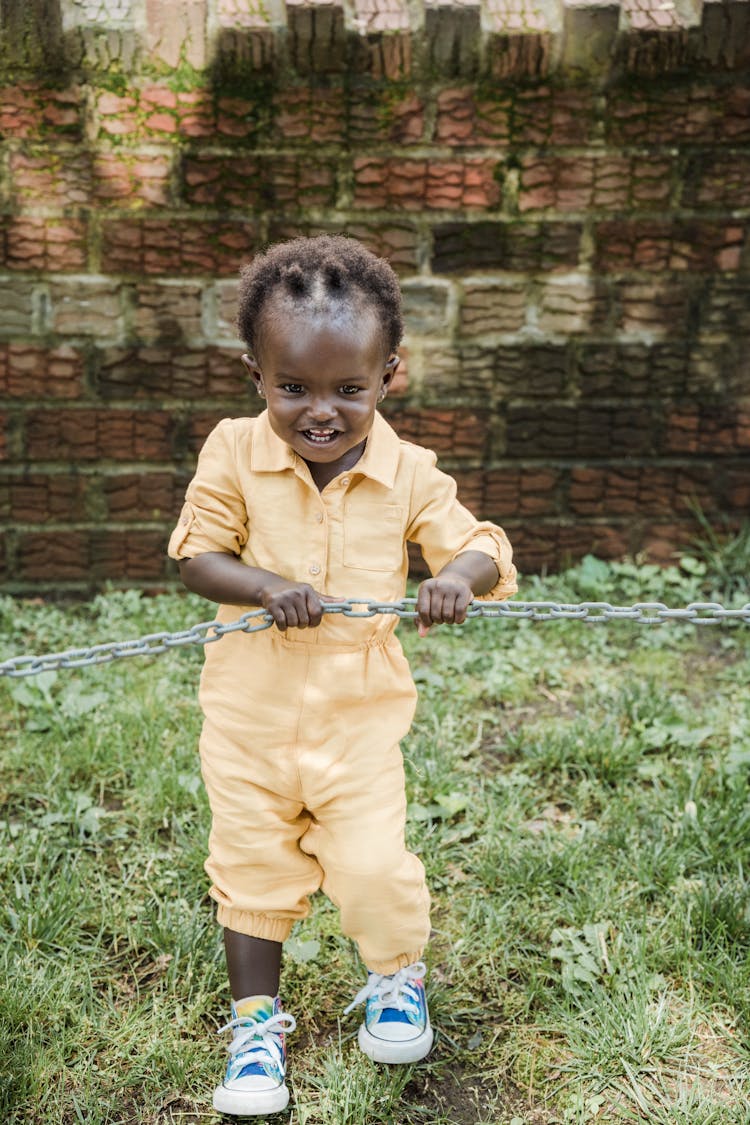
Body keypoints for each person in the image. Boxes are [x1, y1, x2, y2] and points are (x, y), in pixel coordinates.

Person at [168, 234, 517, 1117]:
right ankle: (256, 1026)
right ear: (257, 375)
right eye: (293, 387)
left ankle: (397, 977)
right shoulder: (232, 451)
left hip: (359, 717)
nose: (319, 410)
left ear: (387, 374)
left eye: (347, 389)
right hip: (248, 713)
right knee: (249, 866)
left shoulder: (408, 472)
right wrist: (266, 585)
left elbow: (481, 546)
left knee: (370, 863)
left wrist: (451, 580)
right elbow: (197, 553)